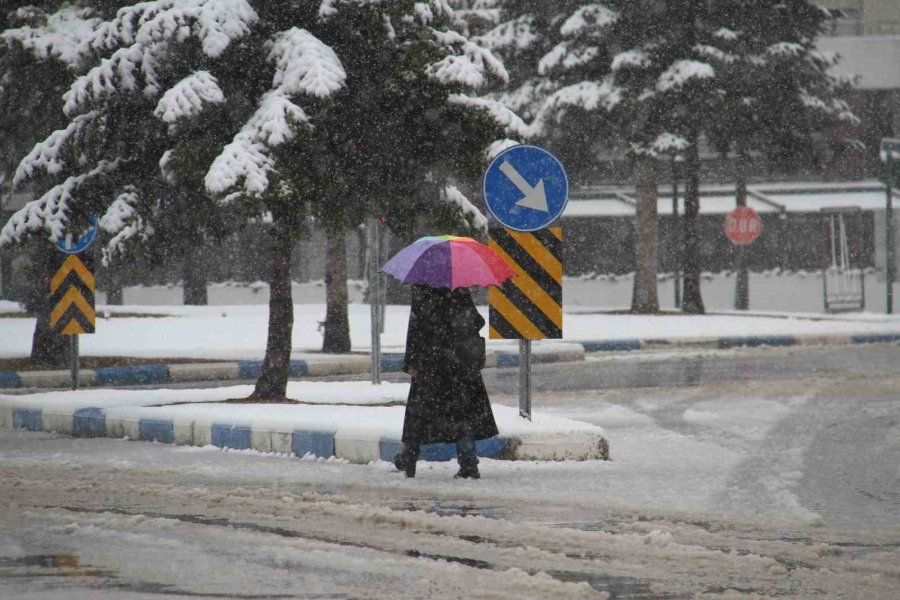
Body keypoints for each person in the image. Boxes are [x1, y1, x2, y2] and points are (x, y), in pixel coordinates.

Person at [394, 284, 499, 479]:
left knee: (418, 415)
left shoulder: (422, 291)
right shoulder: (459, 291)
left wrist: (412, 362)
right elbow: (476, 321)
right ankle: (468, 463)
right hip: (460, 365)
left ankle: (409, 456)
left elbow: (415, 330)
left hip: (430, 364)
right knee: (462, 416)